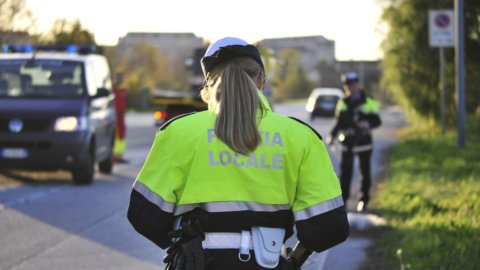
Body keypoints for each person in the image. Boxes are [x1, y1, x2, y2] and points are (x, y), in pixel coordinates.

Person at [127, 37, 349, 270]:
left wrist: (181, 240)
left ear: (208, 86)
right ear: (261, 79)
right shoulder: (301, 137)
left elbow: (144, 214)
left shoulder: (177, 133)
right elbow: (329, 227)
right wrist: (294, 260)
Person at [327, 71, 382, 212]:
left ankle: (364, 201)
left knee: (365, 173)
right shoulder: (343, 102)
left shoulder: (368, 100)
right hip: (348, 144)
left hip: (364, 143)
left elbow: (377, 120)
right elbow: (338, 123)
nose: (350, 88)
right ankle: (343, 202)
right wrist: (331, 136)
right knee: (345, 175)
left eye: (352, 85)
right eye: (347, 86)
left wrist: (367, 124)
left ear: (357, 84)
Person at [113, 72, 128, 163]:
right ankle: (113, 155)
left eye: (121, 78)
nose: (119, 80)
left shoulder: (124, 90)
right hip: (114, 116)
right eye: (117, 78)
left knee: (121, 135)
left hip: (121, 116)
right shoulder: (112, 89)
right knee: (113, 135)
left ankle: (119, 155)